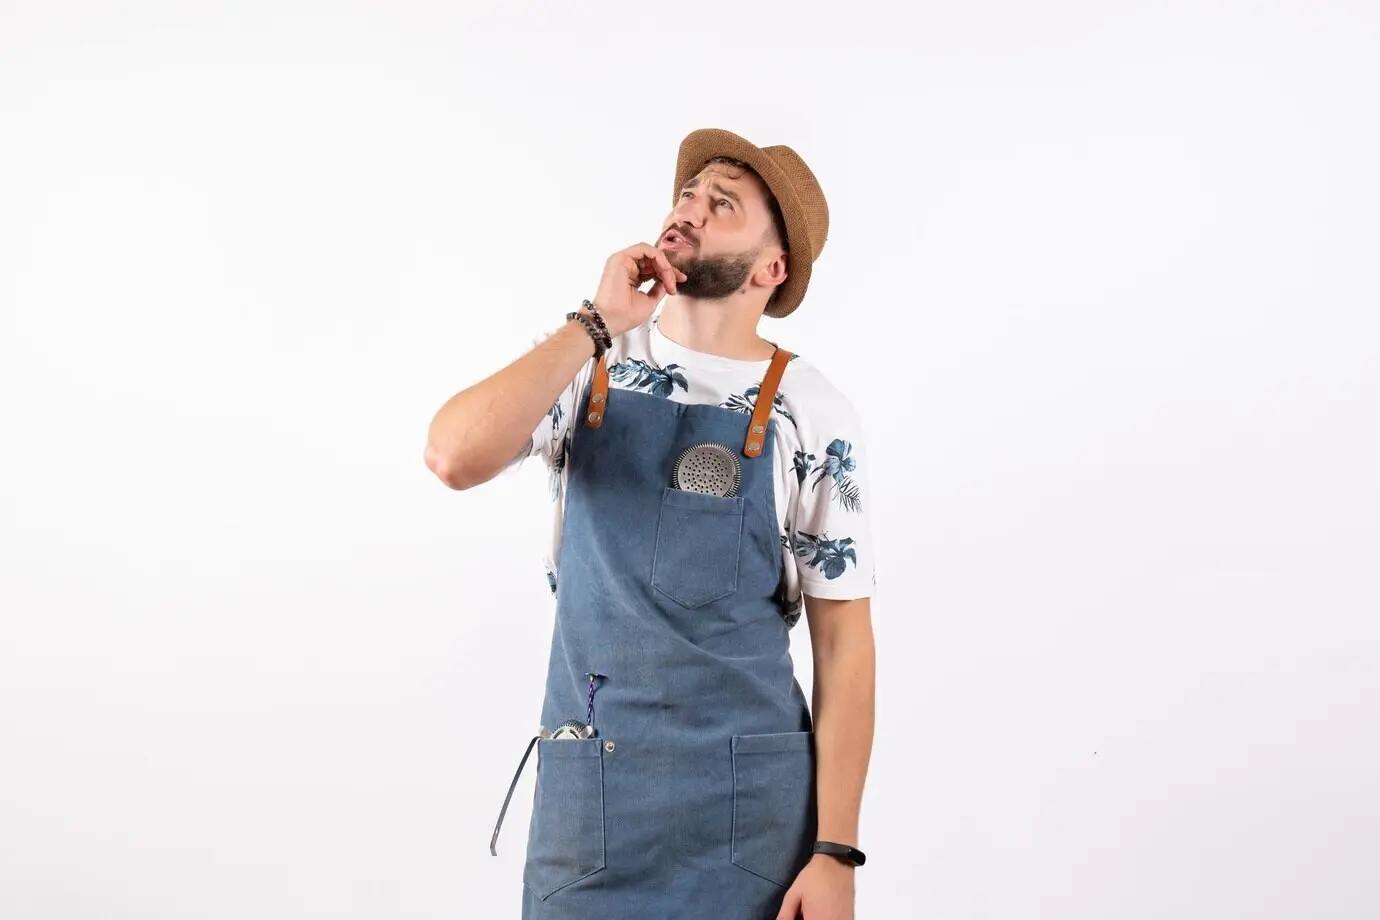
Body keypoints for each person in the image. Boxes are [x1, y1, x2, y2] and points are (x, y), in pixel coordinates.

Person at [424, 127, 877, 920]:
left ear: (771, 270)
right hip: (592, 807)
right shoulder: (587, 360)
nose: (691, 209)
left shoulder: (814, 412)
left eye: (723, 204)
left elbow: (844, 644)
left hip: (753, 823)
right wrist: (595, 320)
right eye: (690, 193)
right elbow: (452, 455)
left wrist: (836, 852)